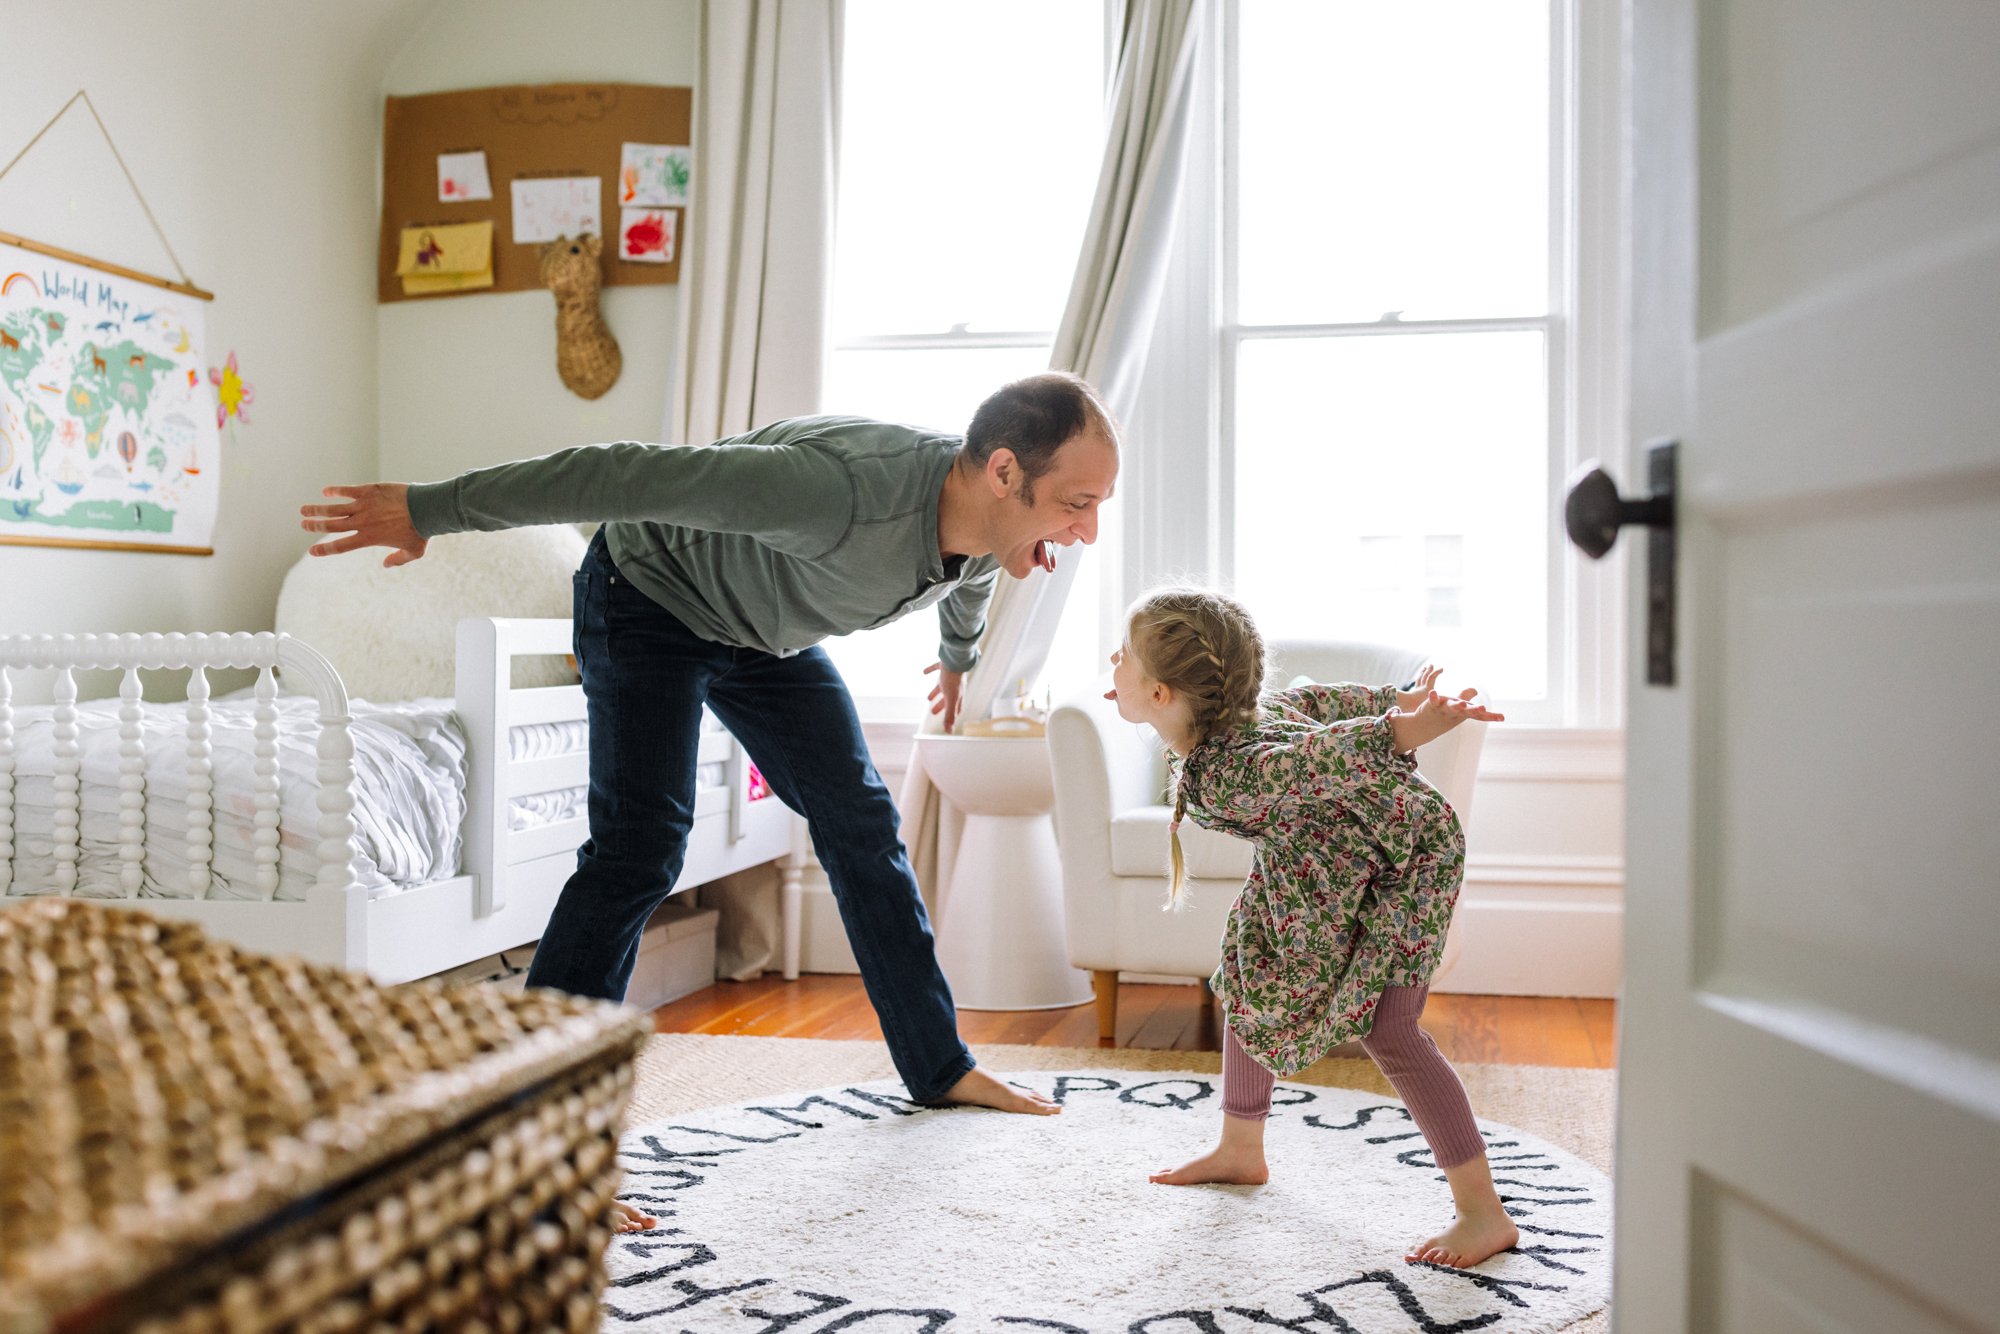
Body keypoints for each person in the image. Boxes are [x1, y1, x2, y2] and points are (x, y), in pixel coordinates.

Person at [300, 372, 1120, 1222]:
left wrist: (956, 658)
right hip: (648, 598)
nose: (1088, 530)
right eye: (1078, 502)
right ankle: (535, 1137)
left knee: (862, 819)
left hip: (759, 635)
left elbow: (972, 576)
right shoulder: (834, 496)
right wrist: (432, 508)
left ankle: (938, 1066)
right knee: (640, 845)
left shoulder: (981, 528)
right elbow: (619, 473)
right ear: (1001, 473)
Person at [1104, 586, 1517, 1269]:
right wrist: (1401, 695)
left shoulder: (1229, 772)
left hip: (1399, 864)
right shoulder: (1244, 723)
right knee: (1247, 970)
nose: (1110, 663)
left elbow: (1319, 755)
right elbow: (1325, 703)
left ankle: (1484, 1212)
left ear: (1160, 694)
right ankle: (1241, 1148)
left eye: (1122, 656)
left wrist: (1403, 723)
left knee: (1391, 1030)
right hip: (1323, 861)